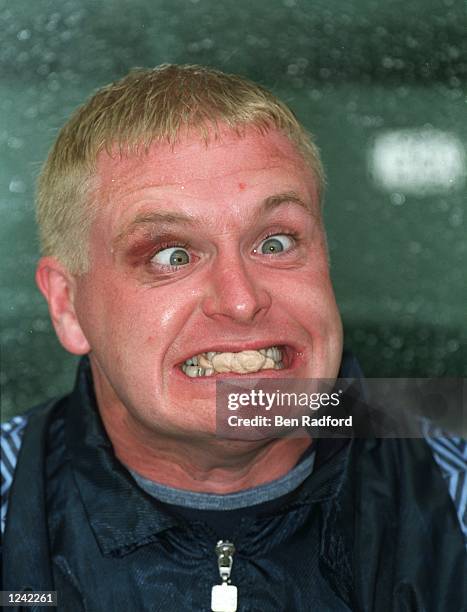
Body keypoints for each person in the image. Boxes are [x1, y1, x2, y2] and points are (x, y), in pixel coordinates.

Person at [1, 64, 466, 611]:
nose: (242, 300)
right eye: (171, 256)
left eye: (275, 243)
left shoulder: (451, 492)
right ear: (67, 306)